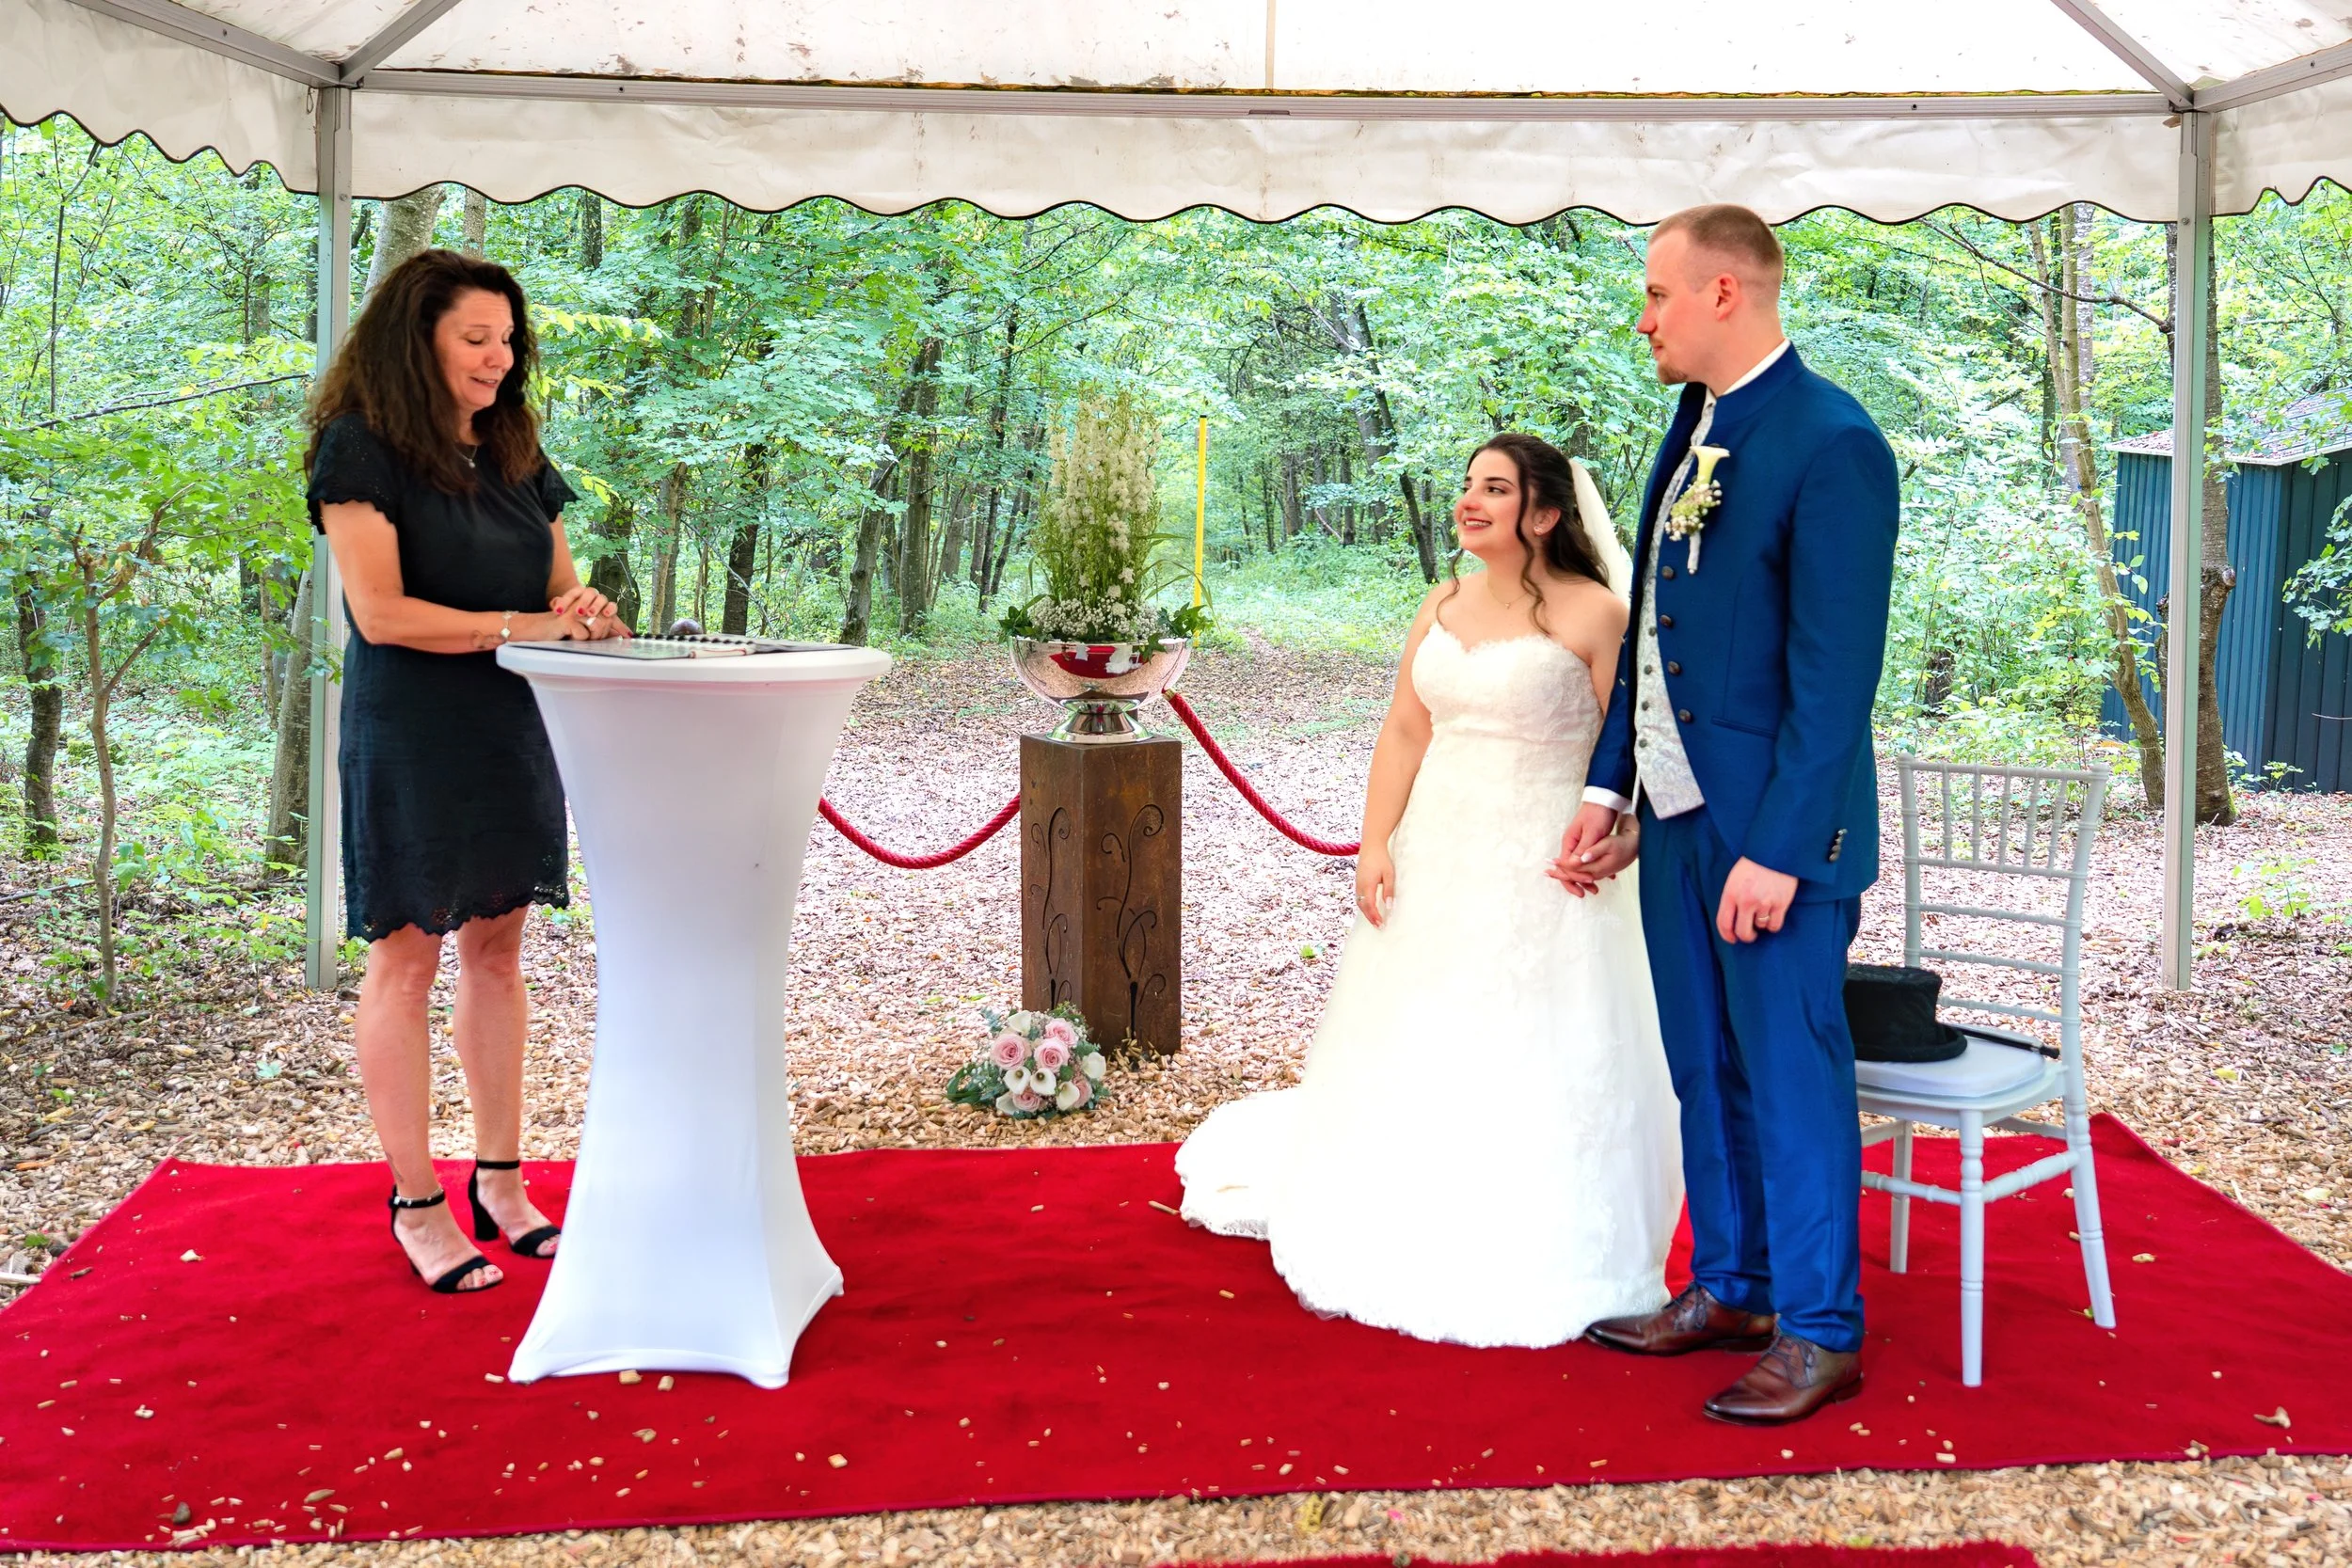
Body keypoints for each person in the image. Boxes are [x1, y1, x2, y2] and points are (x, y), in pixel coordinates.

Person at [1176, 434, 1684, 1349]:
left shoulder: (1596, 613)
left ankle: (1548, 1235)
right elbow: (1407, 727)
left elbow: (1638, 748)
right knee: (1421, 1030)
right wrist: (1375, 842)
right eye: (1466, 485)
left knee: (1543, 1041)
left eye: (1494, 488)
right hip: (1438, 854)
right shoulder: (1440, 604)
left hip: (1547, 868)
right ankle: (1400, 1208)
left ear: (1543, 513)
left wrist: (1627, 833)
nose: (1468, 500)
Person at [1560, 204, 1899, 1424]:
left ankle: (1820, 1327)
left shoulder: (1832, 440)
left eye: (1655, 294)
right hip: (1679, 818)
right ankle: (1734, 1283)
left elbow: (1833, 674)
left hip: (1772, 834)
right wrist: (1614, 785)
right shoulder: (1696, 422)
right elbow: (1659, 624)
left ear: (1723, 295)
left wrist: (1782, 847)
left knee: (1791, 1074)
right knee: (1705, 1064)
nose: (1640, 317)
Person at [307, 249, 628, 1294]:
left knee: (497, 954)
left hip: (510, 722)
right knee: (405, 960)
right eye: (475, 338)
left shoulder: (517, 443)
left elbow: (561, 587)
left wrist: (580, 616)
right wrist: (520, 624)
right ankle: (415, 1198)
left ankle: (501, 1179)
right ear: (420, 339)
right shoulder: (358, 447)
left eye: (507, 339)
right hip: (412, 727)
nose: (499, 358)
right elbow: (380, 612)